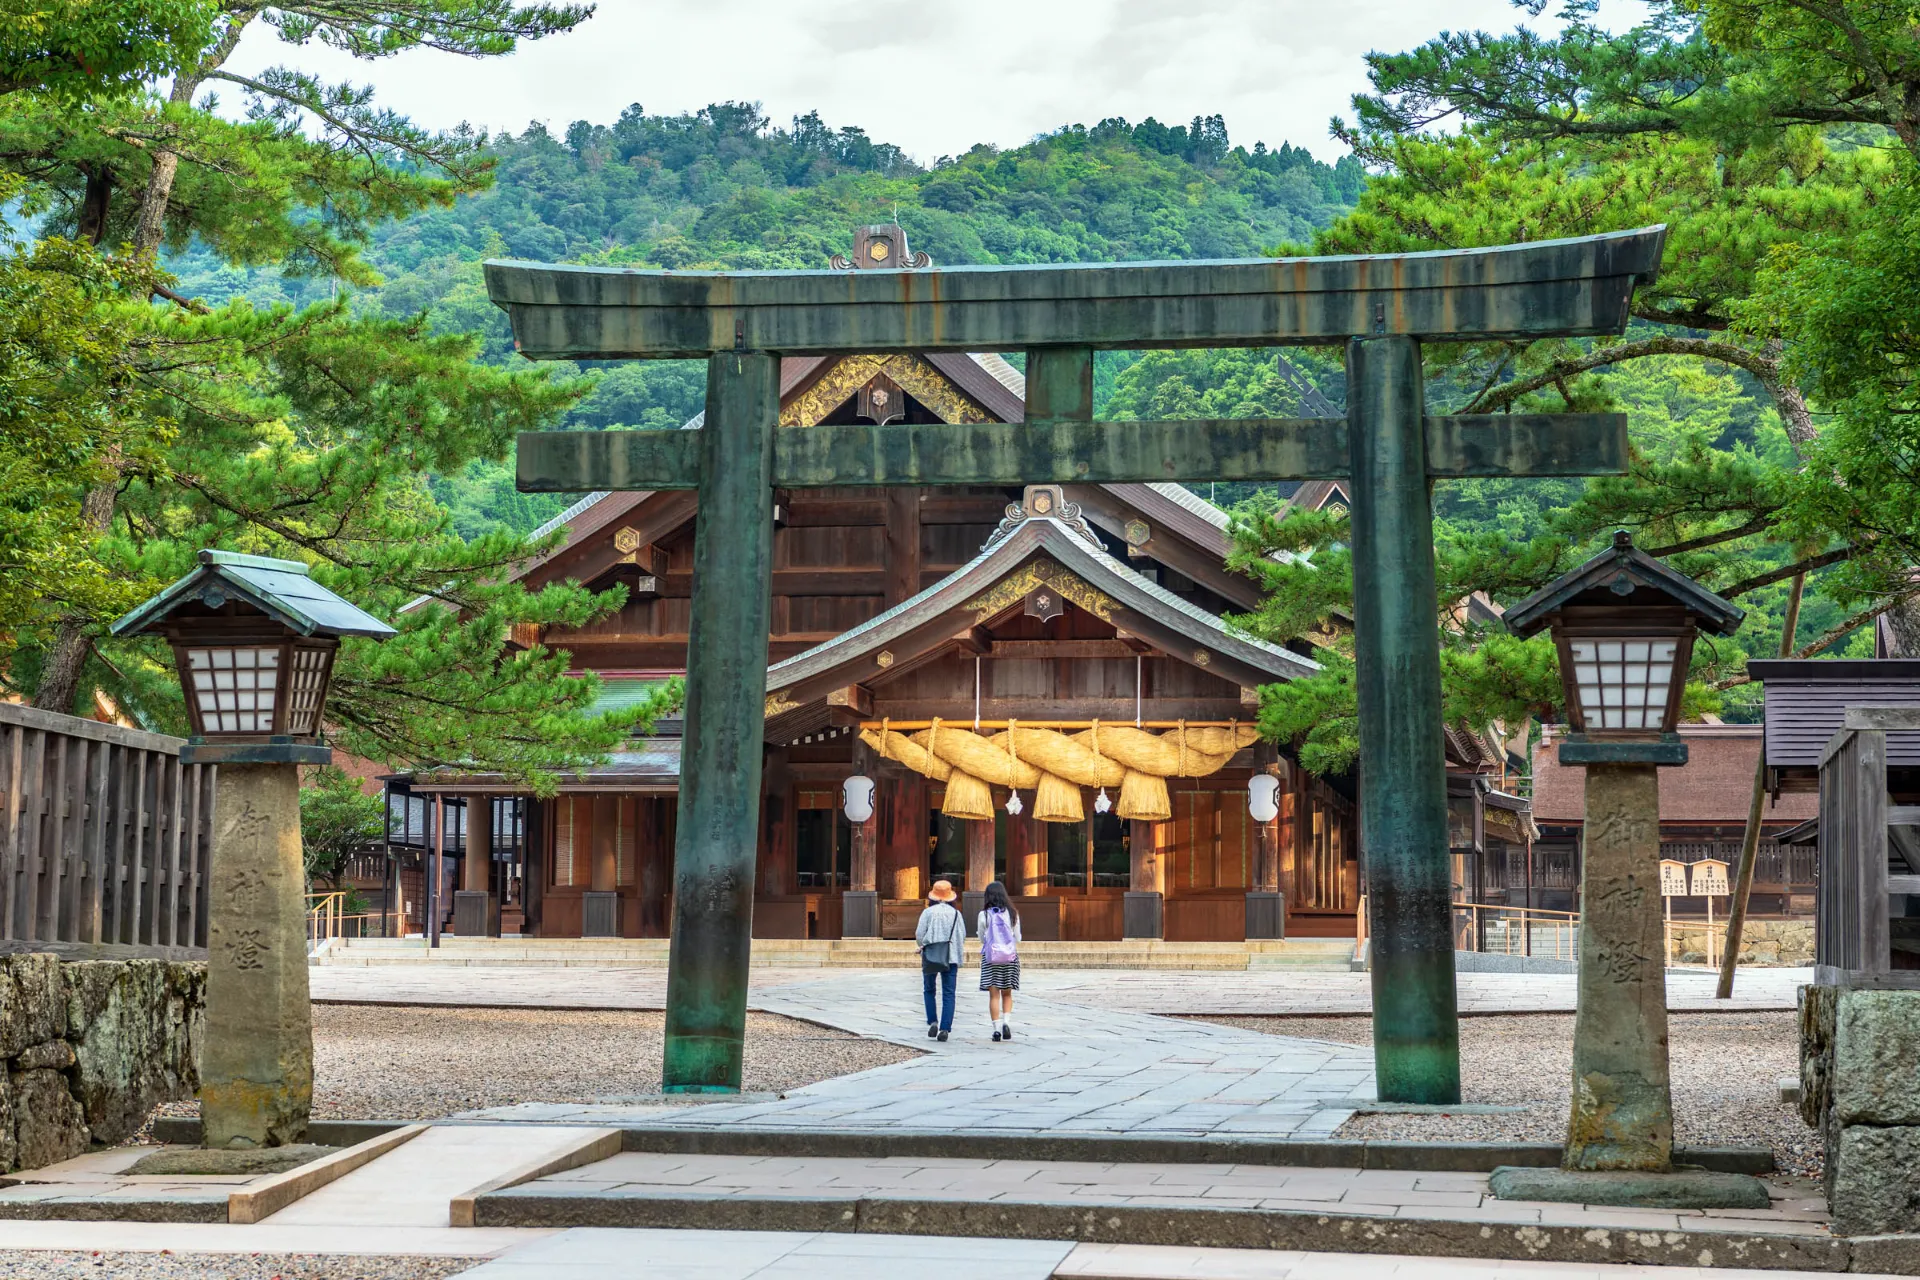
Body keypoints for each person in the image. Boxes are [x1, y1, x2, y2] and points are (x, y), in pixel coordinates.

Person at [914, 879, 965, 1041]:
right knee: (949, 993)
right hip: (951, 956)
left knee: (929, 990)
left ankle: (933, 1021)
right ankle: (945, 1028)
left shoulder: (927, 913)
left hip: (931, 955)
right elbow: (962, 935)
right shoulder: (957, 914)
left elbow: (919, 934)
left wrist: (923, 945)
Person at [977, 880, 1022, 1042]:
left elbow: (982, 937)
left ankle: (996, 1029)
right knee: (1007, 994)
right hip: (1010, 957)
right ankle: (1006, 1022)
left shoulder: (984, 915)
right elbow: (1018, 937)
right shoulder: (1013, 913)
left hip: (991, 958)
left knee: (994, 995)